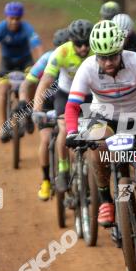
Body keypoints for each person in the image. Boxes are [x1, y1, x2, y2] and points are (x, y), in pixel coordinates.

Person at [64, 20, 136, 258]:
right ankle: (106, 199)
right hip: (103, 118)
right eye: (102, 57)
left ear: (121, 51)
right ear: (95, 55)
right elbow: (72, 106)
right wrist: (70, 132)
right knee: (96, 143)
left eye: (113, 56)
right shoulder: (87, 68)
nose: (108, 62)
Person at [33, 19, 93, 193]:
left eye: (86, 43)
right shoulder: (61, 52)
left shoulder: (96, 50)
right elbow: (45, 81)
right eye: (79, 44)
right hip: (66, 95)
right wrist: (37, 108)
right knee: (65, 129)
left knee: (96, 131)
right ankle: (63, 168)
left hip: (90, 95)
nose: (83, 48)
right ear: (71, 41)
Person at [0, 2, 42, 142]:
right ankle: (5, 126)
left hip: (25, 61)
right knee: (3, 90)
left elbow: (38, 48)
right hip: (7, 63)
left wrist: (41, 64)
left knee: (32, 82)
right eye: (11, 18)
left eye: (17, 18)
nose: (14, 21)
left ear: (21, 18)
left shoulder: (27, 28)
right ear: (6, 17)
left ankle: (29, 112)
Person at [21, 28, 67, 200]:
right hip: (48, 102)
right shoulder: (48, 58)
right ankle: (46, 180)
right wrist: (25, 105)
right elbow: (27, 84)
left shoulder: (79, 59)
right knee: (46, 140)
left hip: (68, 101)